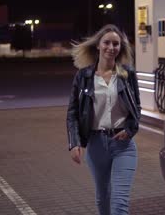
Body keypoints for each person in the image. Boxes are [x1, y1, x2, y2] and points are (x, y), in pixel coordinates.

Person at [66, 24, 141, 215]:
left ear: (120, 48)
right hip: (96, 144)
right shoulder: (84, 76)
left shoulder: (127, 74)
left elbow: (136, 107)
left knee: (120, 202)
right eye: (107, 42)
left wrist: (131, 129)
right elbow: (73, 112)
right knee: (103, 196)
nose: (111, 47)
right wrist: (74, 142)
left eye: (116, 44)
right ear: (98, 45)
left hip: (123, 144)